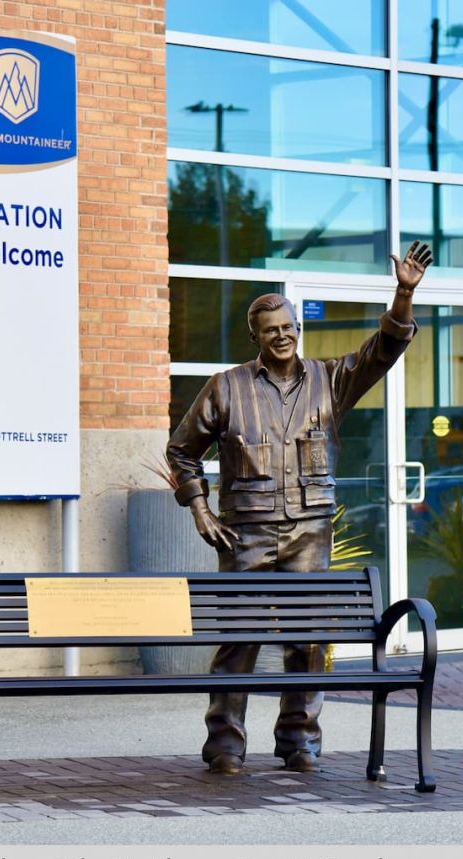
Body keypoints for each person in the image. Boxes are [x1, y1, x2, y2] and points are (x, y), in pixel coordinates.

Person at [166, 241, 434, 775]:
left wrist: (403, 294)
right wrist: (200, 509)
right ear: (256, 338)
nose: (282, 335)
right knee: (238, 640)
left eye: (288, 326)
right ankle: (225, 744)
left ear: (299, 328)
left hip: (310, 531)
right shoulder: (225, 388)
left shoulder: (330, 380)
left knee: (308, 640)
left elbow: (384, 349)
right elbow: (181, 451)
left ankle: (299, 741)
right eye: (271, 330)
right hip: (245, 533)